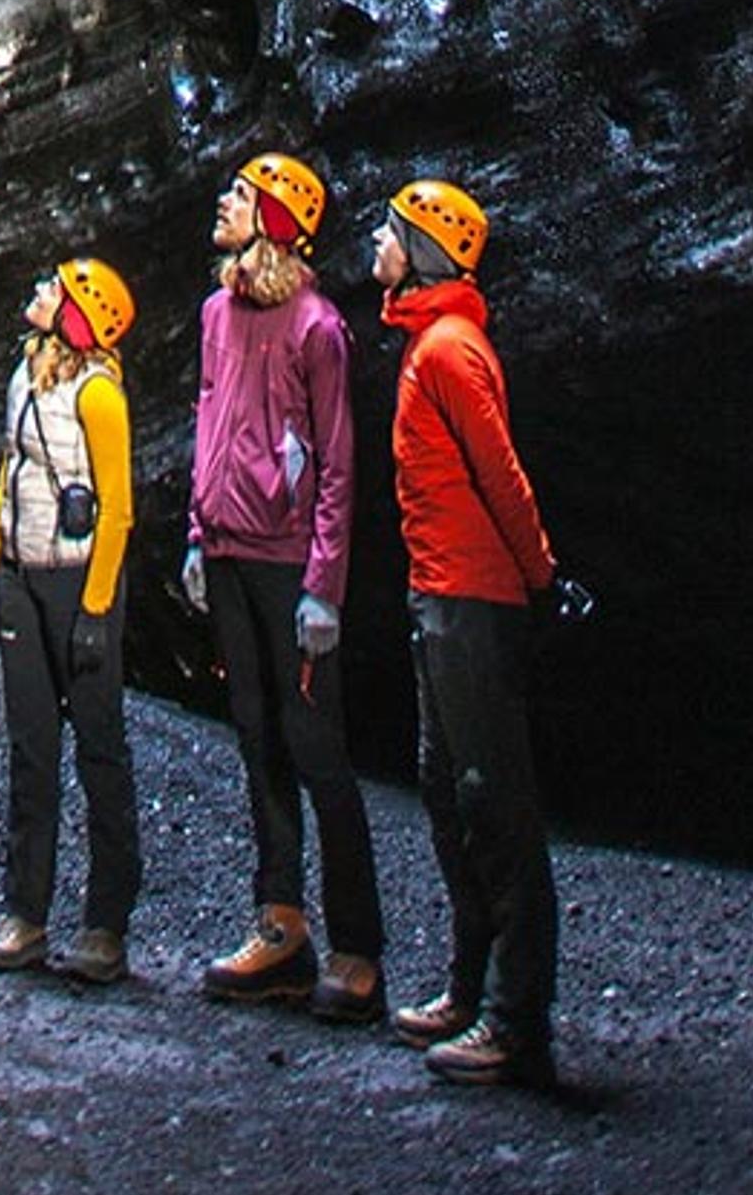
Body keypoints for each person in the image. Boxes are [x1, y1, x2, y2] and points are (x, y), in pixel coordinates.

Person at [371, 178, 565, 1089]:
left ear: (427, 250)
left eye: (392, 231)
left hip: (471, 600)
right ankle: (467, 990)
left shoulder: (450, 351)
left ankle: (514, 1021)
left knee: (494, 804)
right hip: (437, 596)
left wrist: (540, 577)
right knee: (447, 794)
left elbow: (503, 475)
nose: (378, 241)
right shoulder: (427, 344)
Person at [185, 148, 385, 1024]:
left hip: (287, 558)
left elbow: (338, 463)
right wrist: (197, 534)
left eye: (239, 193)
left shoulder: (318, 328)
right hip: (229, 548)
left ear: (274, 216)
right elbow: (207, 416)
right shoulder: (215, 313)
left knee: (317, 750)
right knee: (256, 737)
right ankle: (280, 926)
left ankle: (356, 948)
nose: (223, 202)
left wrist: (325, 588)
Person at [0, 256, 140, 982]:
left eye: (55, 289)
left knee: (100, 752)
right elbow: (9, 473)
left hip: (78, 583)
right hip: (22, 575)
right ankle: (26, 914)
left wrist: (98, 608)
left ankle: (105, 924)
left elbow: (120, 507)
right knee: (30, 750)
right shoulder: (24, 375)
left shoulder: (99, 395)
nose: (38, 292)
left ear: (79, 313)